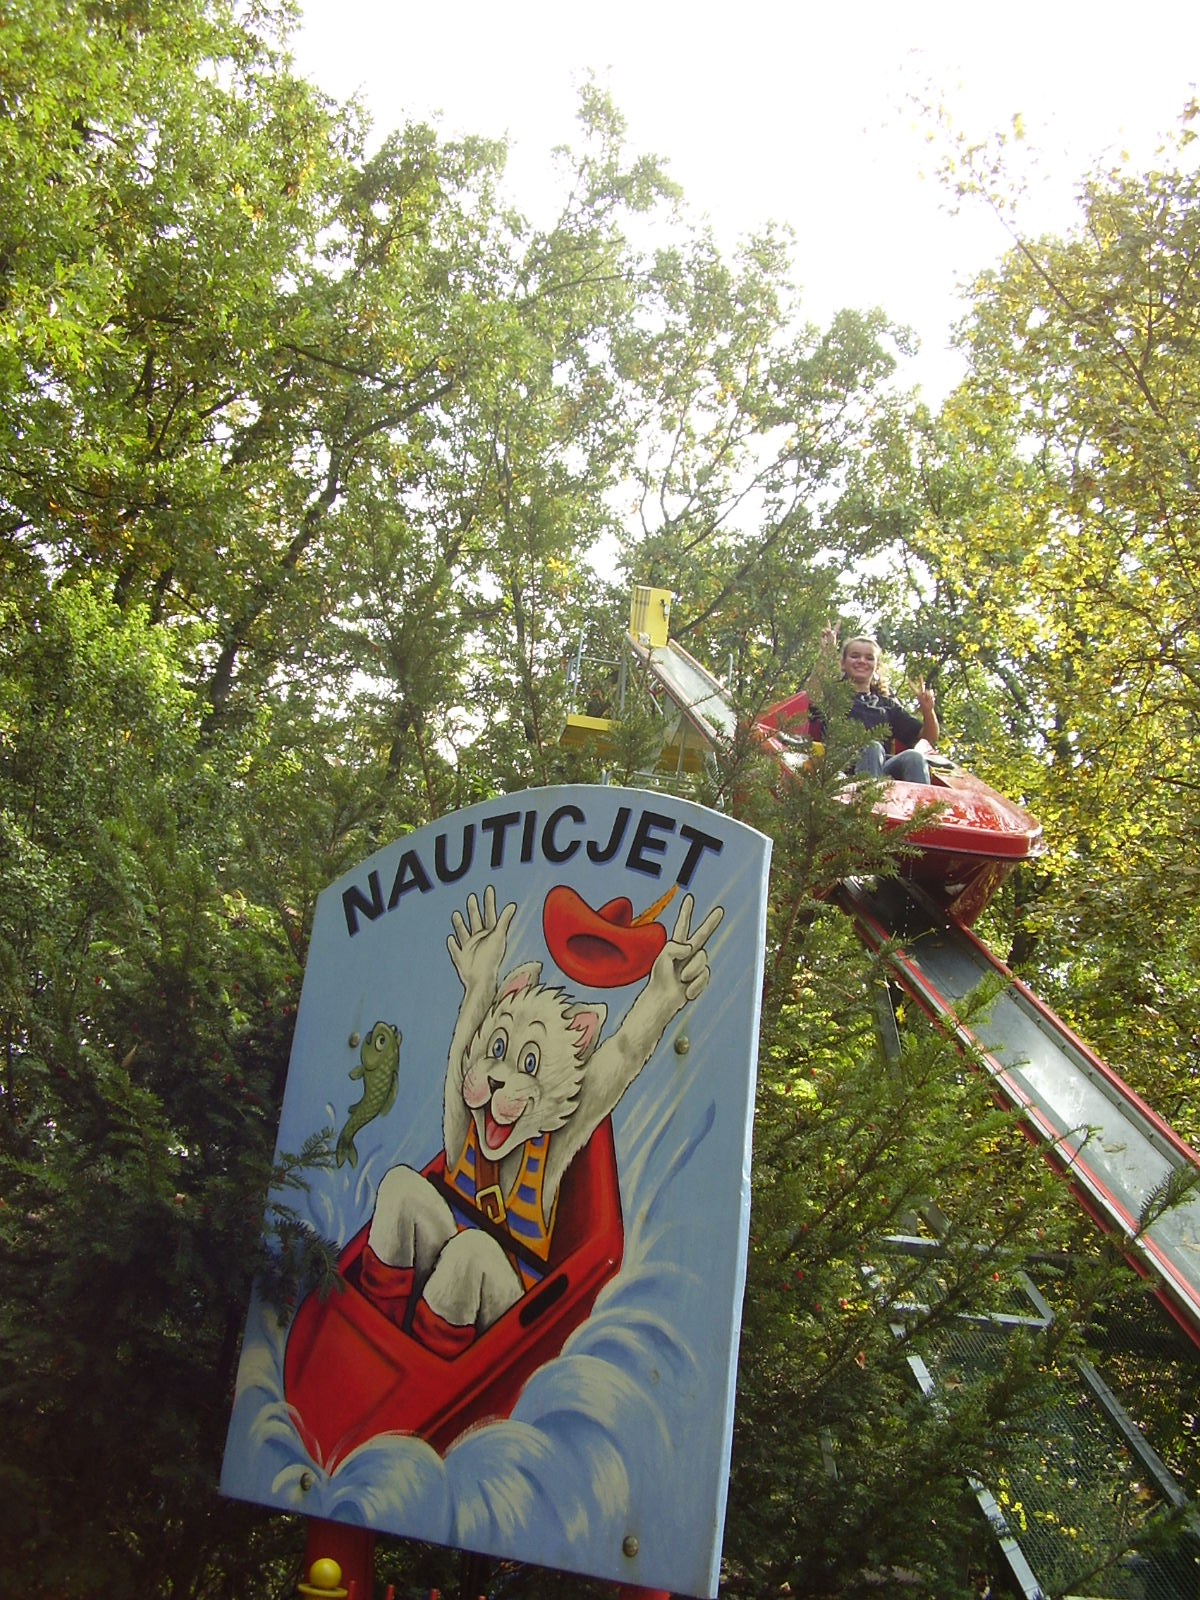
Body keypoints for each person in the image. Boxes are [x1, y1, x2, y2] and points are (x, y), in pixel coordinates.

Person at [808, 624, 939, 784]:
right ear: (842, 663)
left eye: (869, 658)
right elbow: (813, 695)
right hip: (838, 766)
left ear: (876, 667)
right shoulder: (833, 694)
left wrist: (928, 711)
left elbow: (928, 738)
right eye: (855, 656)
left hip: (880, 768)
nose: (862, 661)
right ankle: (868, 797)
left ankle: (918, 801)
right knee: (871, 746)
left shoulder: (887, 705)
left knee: (914, 757)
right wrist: (826, 653)